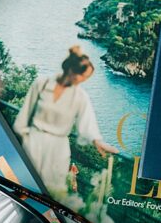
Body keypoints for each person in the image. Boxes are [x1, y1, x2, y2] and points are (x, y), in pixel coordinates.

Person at [14, 45, 119, 201]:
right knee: (23, 186)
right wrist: (25, 138)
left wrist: (98, 141)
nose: (84, 80)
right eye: (83, 76)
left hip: (58, 149)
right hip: (34, 142)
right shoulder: (41, 84)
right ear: (71, 70)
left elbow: (87, 122)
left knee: (52, 192)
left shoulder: (80, 97)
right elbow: (24, 115)